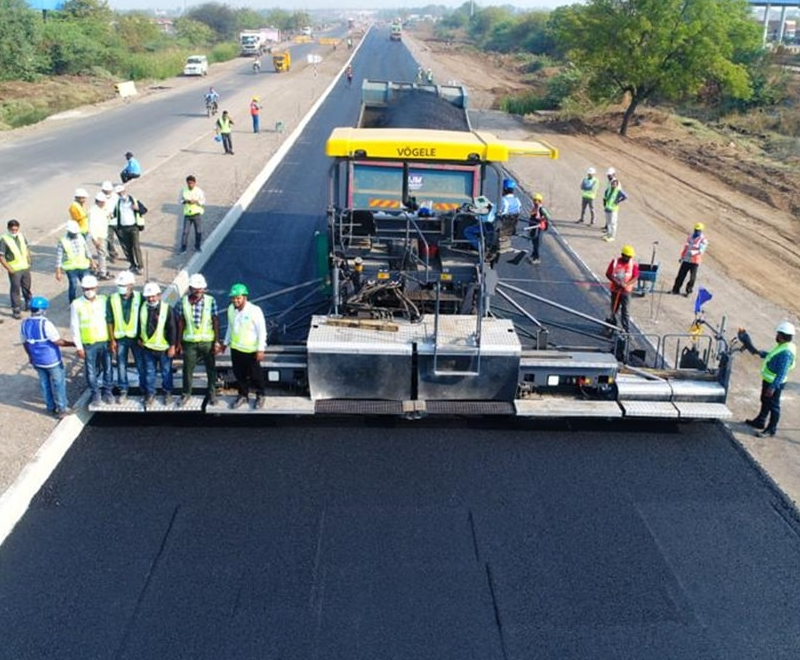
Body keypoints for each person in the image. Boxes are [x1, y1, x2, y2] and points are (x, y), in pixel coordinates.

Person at [20, 296, 74, 418]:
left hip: (37, 360)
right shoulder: (46, 324)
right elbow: (57, 341)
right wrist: (73, 344)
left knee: (44, 384)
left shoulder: (24, 324)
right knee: (59, 383)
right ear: (42, 310)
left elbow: (25, 342)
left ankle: (50, 407)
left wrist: (30, 356)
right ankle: (62, 408)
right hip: (52, 360)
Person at [741, 321, 796, 438]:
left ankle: (771, 429)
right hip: (769, 380)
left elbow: (782, 372)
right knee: (765, 400)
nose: (776, 336)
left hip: (775, 383)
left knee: (774, 406)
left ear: (781, 336)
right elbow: (773, 355)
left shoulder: (786, 353)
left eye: (777, 334)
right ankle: (760, 421)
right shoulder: (783, 346)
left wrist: (772, 387)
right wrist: (761, 353)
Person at [176, 273, 220, 407]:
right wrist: (178, 342)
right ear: (190, 288)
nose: (199, 291)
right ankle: (186, 393)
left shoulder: (210, 300)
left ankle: (212, 394)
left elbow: (215, 321)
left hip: (207, 342)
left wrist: (216, 341)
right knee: (187, 369)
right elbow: (180, 322)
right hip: (189, 342)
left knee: (210, 369)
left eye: (201, 289)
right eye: (196, 288)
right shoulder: (182, 302)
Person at [221, 283, 267, 409]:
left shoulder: (254, 311)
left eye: (238, 298)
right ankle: (243, 395)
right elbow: (230, 327)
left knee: (255, 375)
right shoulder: (231, 309)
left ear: (245, 297)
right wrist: (225, 343)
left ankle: (260, 395)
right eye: (233, 298)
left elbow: (261, 331)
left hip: (250, 350)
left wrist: (260, 349)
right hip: (236, 349)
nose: (235, 300)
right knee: (239, 374)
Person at [70, 274, 113, 406]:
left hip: (104, 341)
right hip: (89, 343)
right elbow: (74, 326)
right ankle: (95, 393)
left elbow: (110, 321)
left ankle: (108, 391)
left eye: (91, 288)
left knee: (108, 368)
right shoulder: (76, 304)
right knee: (90, 370)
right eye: (86, 288)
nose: (89, 291)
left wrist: (112, 340)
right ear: (82, 289)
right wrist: (79, 347)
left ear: (96, 287)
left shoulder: (104, 300)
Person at [138, 281, 177, 408]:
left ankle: (168, 393)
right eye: (148, 296)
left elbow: (172, 328)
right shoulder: (143, 308)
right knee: (150, 372)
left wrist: (172, 346)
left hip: (164, 348)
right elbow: (140, 325)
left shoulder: (167, 309)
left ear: (159, 295)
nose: (151, 298)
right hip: (148, 348)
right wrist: (139, 337)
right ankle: (150, 394)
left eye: (153, 296)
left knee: (166, 371)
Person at [107, 270, 143, 403]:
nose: (121, 288)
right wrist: (112, 340)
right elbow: (109, 320)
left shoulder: (140, 298)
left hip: (136, 339)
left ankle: (144, 388)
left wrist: (142, 337)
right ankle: (123, 390)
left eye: (124, 285)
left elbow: (144, 318)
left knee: (140, 363)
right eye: (120, 285)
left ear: (131, 285)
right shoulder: (113, 299)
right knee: (121, 365)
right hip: (120, 339)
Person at [0, 219, 33, 319]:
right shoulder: (4, 239)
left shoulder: (21, 236)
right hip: (14, 269)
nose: (14, 232)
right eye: (12, 230)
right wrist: (9, 268)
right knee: (15, 289)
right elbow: (1, 256)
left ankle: (28, 303)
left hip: (25, 267)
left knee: (27, 287)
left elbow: (26, 248)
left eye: (16, 230)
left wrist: (29, 259)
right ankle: (16, 309)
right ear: (8, 229)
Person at [56, 220, 94, 303]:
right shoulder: (63, 241)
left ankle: (89, 300)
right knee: (73, 285)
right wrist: (58, 271)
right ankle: (72, 303)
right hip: (71, 268)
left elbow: (87, 250)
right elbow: (59, 256)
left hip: (83, 266)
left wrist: (92, 261)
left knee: (87, 284)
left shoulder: (80, 237)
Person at [605, 245, 639, 334]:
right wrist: (617, 282)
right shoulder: (615, 262)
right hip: (615, 290)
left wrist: (626, 284)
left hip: (626, 292)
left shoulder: (633, 264)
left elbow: (635, 277)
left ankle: (625, 330)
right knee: (614, 309)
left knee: (625, 311)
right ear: (623, 255)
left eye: (630, 257)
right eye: (628, 257)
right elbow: (608, 274)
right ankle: (612, 326)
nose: (629, 258)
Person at [112, 184, 145, 274]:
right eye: (119, 193)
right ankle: (132, 265)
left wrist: (137, 208)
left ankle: (140, 266)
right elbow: (115, 214)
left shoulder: (134, 200)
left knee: (136, 246)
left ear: (125, 191)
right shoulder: (118, 203)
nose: (121, 194)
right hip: (123, 228)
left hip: (133, 227)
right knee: (128, 248)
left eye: (122, 192)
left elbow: (144, 210)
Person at [671, 222, 709, 296]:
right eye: (695, 230)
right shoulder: (690, 236)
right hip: (686, 259)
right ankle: (675, 289)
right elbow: (686, 247)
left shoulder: (703, 240)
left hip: (695, 261)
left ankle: (688, 291)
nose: (696, 231)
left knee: (692, 278)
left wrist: (693, 252)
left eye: (698, 230)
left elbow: (701, 251)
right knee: (680, 275)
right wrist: (682, 257)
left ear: (701, 231)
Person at [87, 192, 111, 281]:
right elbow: (91, 226)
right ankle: (102, 273)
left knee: (103, 254)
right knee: (101, 254)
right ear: (98, 202)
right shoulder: (93, 211)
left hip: (103, 234)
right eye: (103, 202)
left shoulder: (103, 209)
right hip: (98, 236)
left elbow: (106, 218)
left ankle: (102, 270)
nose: (104, 203)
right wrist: (95, 238)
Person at [179, 175, 206, 254]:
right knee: (185, 232)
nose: (190, 185)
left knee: (198, 231)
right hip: (187, 214)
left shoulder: (199, 191)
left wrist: (196, 202)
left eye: (191, 183)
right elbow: (180, 200)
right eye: (188, 183)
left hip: (196, 214)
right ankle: (183, 248)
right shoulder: (184, 190)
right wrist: (185, 201)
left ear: (195, 183)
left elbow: (203, 201)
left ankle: (197, 247)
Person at [496, 178, 522, 253]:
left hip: (501, 227)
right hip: (510, 228)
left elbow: (499, 213)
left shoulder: (503, 200)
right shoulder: (517, 201)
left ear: (504, 189)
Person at [524, 193, 551, 264]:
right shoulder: (535, 208)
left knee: (537, 243)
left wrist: (541, 218)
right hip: (533, 227)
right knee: (533, 241)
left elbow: (548, 216)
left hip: (539, 228)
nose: (535, 202)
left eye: (537, 200)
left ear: (540, 201)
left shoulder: (541, 209)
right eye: (534, 200)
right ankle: (533, 255)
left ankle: (537, 257)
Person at [602, 176, 627, 242]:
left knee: (613, 223)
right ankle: (608, 234)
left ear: (617, 184)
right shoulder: (608, 190)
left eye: (615, 183)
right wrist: (604, 205)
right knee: (608, 223)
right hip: (607, 208)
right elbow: (604, 197)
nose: (613, 184)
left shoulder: (618, 191)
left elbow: (625, 196)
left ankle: (612, 236)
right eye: (613, 183)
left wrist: (618, 201)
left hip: (613, 210)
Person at [101, 180, 120, 263]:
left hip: (118, 221)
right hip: (107, 222)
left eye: (108, 190)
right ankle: (113, 255)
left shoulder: (116, 197)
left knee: (124, 239)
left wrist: (114, 214)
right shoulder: (100, 197)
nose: (107, 192)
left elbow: (120, 207)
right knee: (109, 239)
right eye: (105, 191)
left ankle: (129, 255)